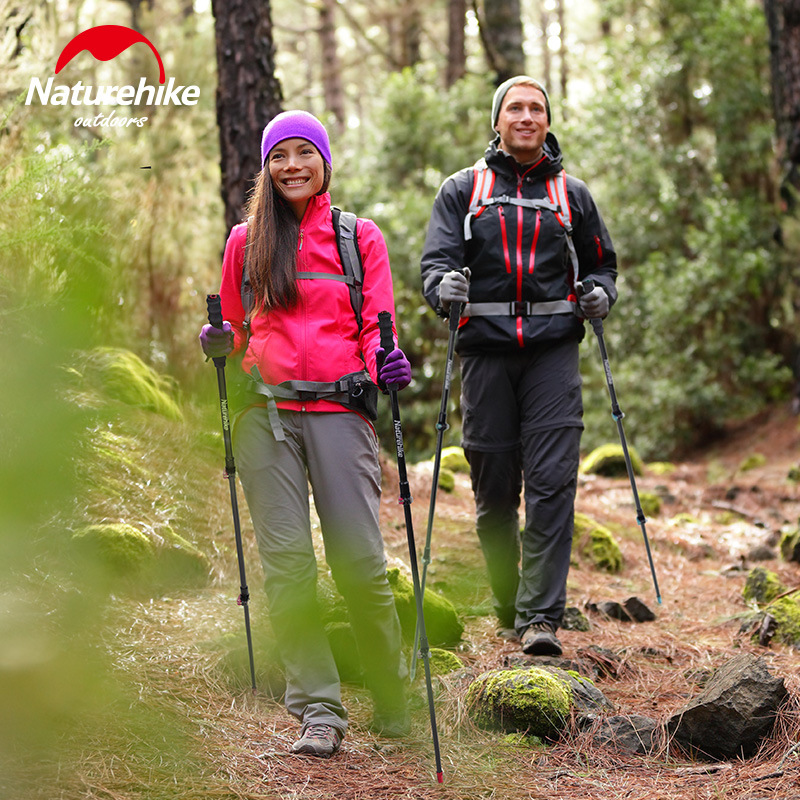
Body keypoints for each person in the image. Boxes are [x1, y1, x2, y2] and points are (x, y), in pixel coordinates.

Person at [199, 110, 412, 757]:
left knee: (360, 563)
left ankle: (390, 686)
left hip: (340, 413)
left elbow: (379, 328)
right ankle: (318, 709)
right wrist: (217, 343)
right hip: (264, 417)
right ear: (266, 167)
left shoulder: (358, 238)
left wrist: (388, 361)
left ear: (323, 162)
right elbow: (232, 330)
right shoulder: (245, 241)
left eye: (304, 153)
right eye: (280, 156)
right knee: (287, 569)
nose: (292, 165)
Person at [420, 76, 618, 657]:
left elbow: (603, 264)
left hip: (553, 352)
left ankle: (540, 618)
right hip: (484, 353)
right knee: (495, 489)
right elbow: (435, 263)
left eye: (537, 108)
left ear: (548, 121)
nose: (527, 116)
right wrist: (443, 286)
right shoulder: (462, 190)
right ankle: (509, 603)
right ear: (498, 121)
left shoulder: (572, 194)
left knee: (553, 484)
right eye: (516, 108)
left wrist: (601, 293)